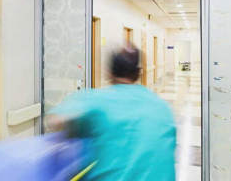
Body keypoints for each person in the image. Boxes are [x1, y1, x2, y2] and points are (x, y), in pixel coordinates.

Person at [47, 46, 176, 181]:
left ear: (109, 73)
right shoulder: (162, 107)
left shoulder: (96, 99)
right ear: (138, 73)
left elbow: (54, 120)